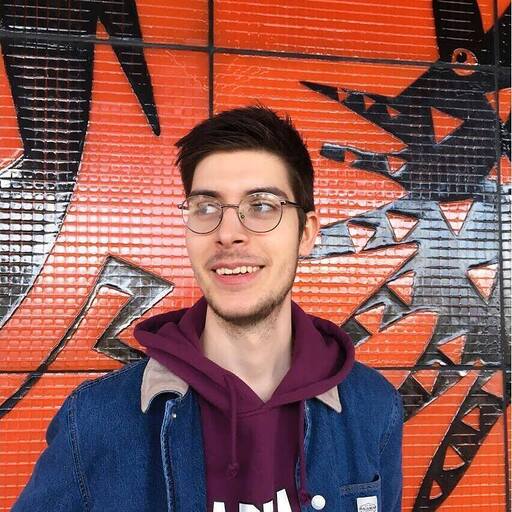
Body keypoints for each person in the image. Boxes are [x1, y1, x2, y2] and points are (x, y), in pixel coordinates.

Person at [12, 106, 403, 512]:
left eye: (262, 206)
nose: (228, 233)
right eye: (206, 207)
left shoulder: (373, 408)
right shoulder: (94, 421)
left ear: (306, 233)